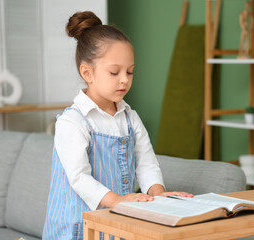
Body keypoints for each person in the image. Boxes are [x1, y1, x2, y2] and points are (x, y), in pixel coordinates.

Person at [42, 11, 193, 240]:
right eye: (114, 72)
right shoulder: (72, 122)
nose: (124, 79)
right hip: (77, 229)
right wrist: (118, 200)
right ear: (87, 72)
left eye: (130, 71)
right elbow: (79, 178)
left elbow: (146, 164)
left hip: (116, 224)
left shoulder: (130, 118)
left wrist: (158, 193)